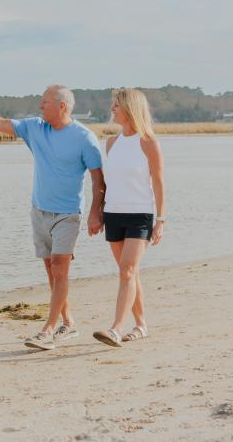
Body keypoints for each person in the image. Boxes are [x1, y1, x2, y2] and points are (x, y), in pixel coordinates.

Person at [0, 85, 105, 350]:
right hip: (39, 211)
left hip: (68, 214)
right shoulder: (35, 128)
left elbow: (98, 179)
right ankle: (68, 322)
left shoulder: (85, 138)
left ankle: (48, 330)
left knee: (61, 268)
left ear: (62, 106)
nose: (40, 106)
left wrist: (97, 212)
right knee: (52, 271)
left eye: (45, 102)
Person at [92, 88, 165, 347]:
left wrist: (161, 219)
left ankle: (115, 328)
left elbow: (158, 182)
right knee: (129, 274)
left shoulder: (148, 142)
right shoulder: (112, 143)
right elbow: (106, 184)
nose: (112, 109)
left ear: (130, 109)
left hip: (140, 215)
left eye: (116, 105)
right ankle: (142, 325)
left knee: (128, 270)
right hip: (113, 214)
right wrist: (97, 213)